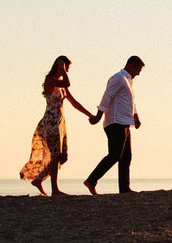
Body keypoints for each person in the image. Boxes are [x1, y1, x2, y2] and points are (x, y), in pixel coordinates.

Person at [20, 56, 101, 196]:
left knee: (63, 156)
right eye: (66, 68)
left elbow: (73, 102)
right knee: (55, 155)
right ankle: (55, 189)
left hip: (60, 121)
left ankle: (39, 180)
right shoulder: (50, 80)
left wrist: (90, 115)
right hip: (51, 120)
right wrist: (63, 70)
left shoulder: (60, 84)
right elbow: (67, 83)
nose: (67, 72)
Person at [84, 56, 144, 194]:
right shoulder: (118, 78)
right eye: (138, 69)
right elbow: (107, 96)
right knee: (115, 154)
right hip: (115, 122)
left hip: (125, 123)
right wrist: (98, 116)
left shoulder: (129, 81)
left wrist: (136, 116)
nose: (139, 73)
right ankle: (91, 180)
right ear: (131, 65)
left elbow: (131, 102)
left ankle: (124, 188)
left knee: (126, 156)